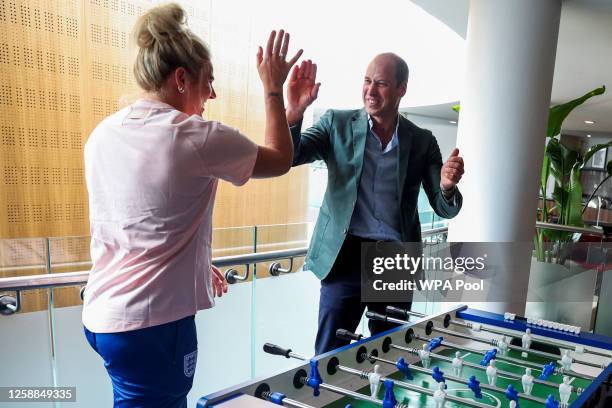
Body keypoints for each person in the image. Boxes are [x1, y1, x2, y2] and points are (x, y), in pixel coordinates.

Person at [82, 3, 307, 406]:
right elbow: (280, 158)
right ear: (182, 79)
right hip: (151, 327)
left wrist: (197, 266)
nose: (213, 95)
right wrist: (274, 90)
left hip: (102, 318)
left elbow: (141, 222)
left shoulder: (102, 134)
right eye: (209, 81)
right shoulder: (192, 136)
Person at [286, 53, 464, 354]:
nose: (370, 90)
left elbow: (444, 206)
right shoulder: (336, 124)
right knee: (331, 352)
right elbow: (291, 156)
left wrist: (447, 186)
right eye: (367, 81)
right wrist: (293, 114)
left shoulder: (421, 141)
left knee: (391, 352)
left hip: (393, 259)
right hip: (344, 257)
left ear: (401, 89)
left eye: (380, 83)